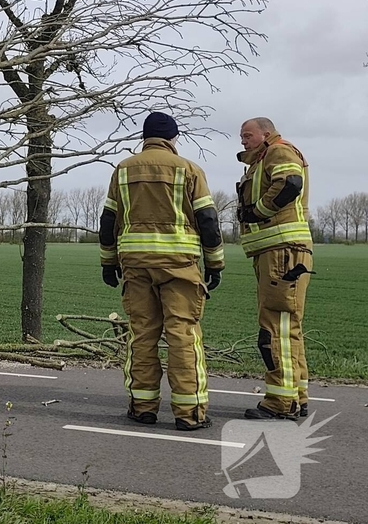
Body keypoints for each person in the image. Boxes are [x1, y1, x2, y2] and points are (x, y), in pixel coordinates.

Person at [99, 112, 224, 431]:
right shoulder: (189, 170)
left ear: (145, 137)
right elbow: (208, 221)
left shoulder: (123, 170)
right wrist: (215, 263)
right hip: (179, 266)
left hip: (136, 264)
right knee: (183, 334)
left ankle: (142, 406)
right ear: (173, 138)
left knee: (142, 332)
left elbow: (108, 222)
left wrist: (108, 262)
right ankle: (190, 412)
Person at [236, 117, 313, 421]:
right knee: (288, 326)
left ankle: (280, 402)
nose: (242, 141)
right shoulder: (265, 158)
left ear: (265, 134)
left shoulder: (278, 152)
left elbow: (290, 185)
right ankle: (297, 395)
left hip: (282, 251)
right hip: (280, 251)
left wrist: (257, 212)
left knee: (276, 327)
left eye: (247, 135)